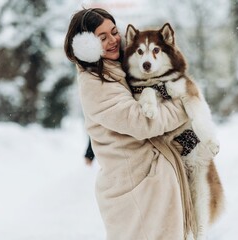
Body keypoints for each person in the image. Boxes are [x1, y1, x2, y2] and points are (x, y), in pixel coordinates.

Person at [64, 8, 195, 240]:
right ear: (87, 46)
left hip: (150, 182)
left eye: (114, 32)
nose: (113, 40)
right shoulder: (94, 84)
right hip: (135, 188)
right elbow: (143, 122)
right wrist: (186, 105)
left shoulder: (121, 68)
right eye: (102, 38)